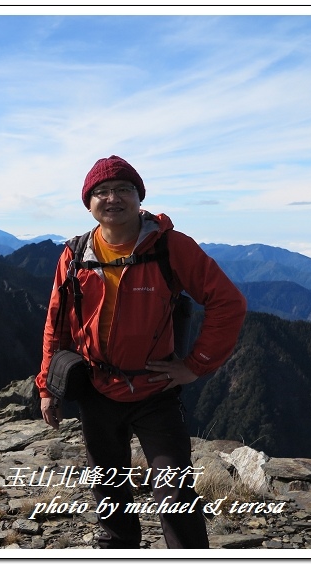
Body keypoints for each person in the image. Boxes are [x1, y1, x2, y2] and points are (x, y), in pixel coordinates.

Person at [36, 155, 247, 549]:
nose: (112, 198)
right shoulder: (75, 254)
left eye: (123, 190)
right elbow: (56, 324)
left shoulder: (171, 247)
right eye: (101, 192)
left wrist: (195, 365)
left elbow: (228, 303)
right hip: (97, 389)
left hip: (156, 393)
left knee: (175, 496)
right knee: (109, 491)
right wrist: (47, 386)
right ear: (89, 203)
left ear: (139, 197)